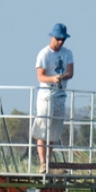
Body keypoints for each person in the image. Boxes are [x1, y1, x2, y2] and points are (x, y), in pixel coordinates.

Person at [31, 23, 74, 173]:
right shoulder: (44, 54)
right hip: (46, 96)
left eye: (63, 39)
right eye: (58, 38)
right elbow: (40, 76)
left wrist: (62, 77)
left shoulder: (68, 53)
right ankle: (43, 163)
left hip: (60, 96)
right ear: (52, 37)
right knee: (43, 130)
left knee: (54, 132)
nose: (61, 42)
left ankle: (49, 163)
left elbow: (70, 72)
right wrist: (53, 79)